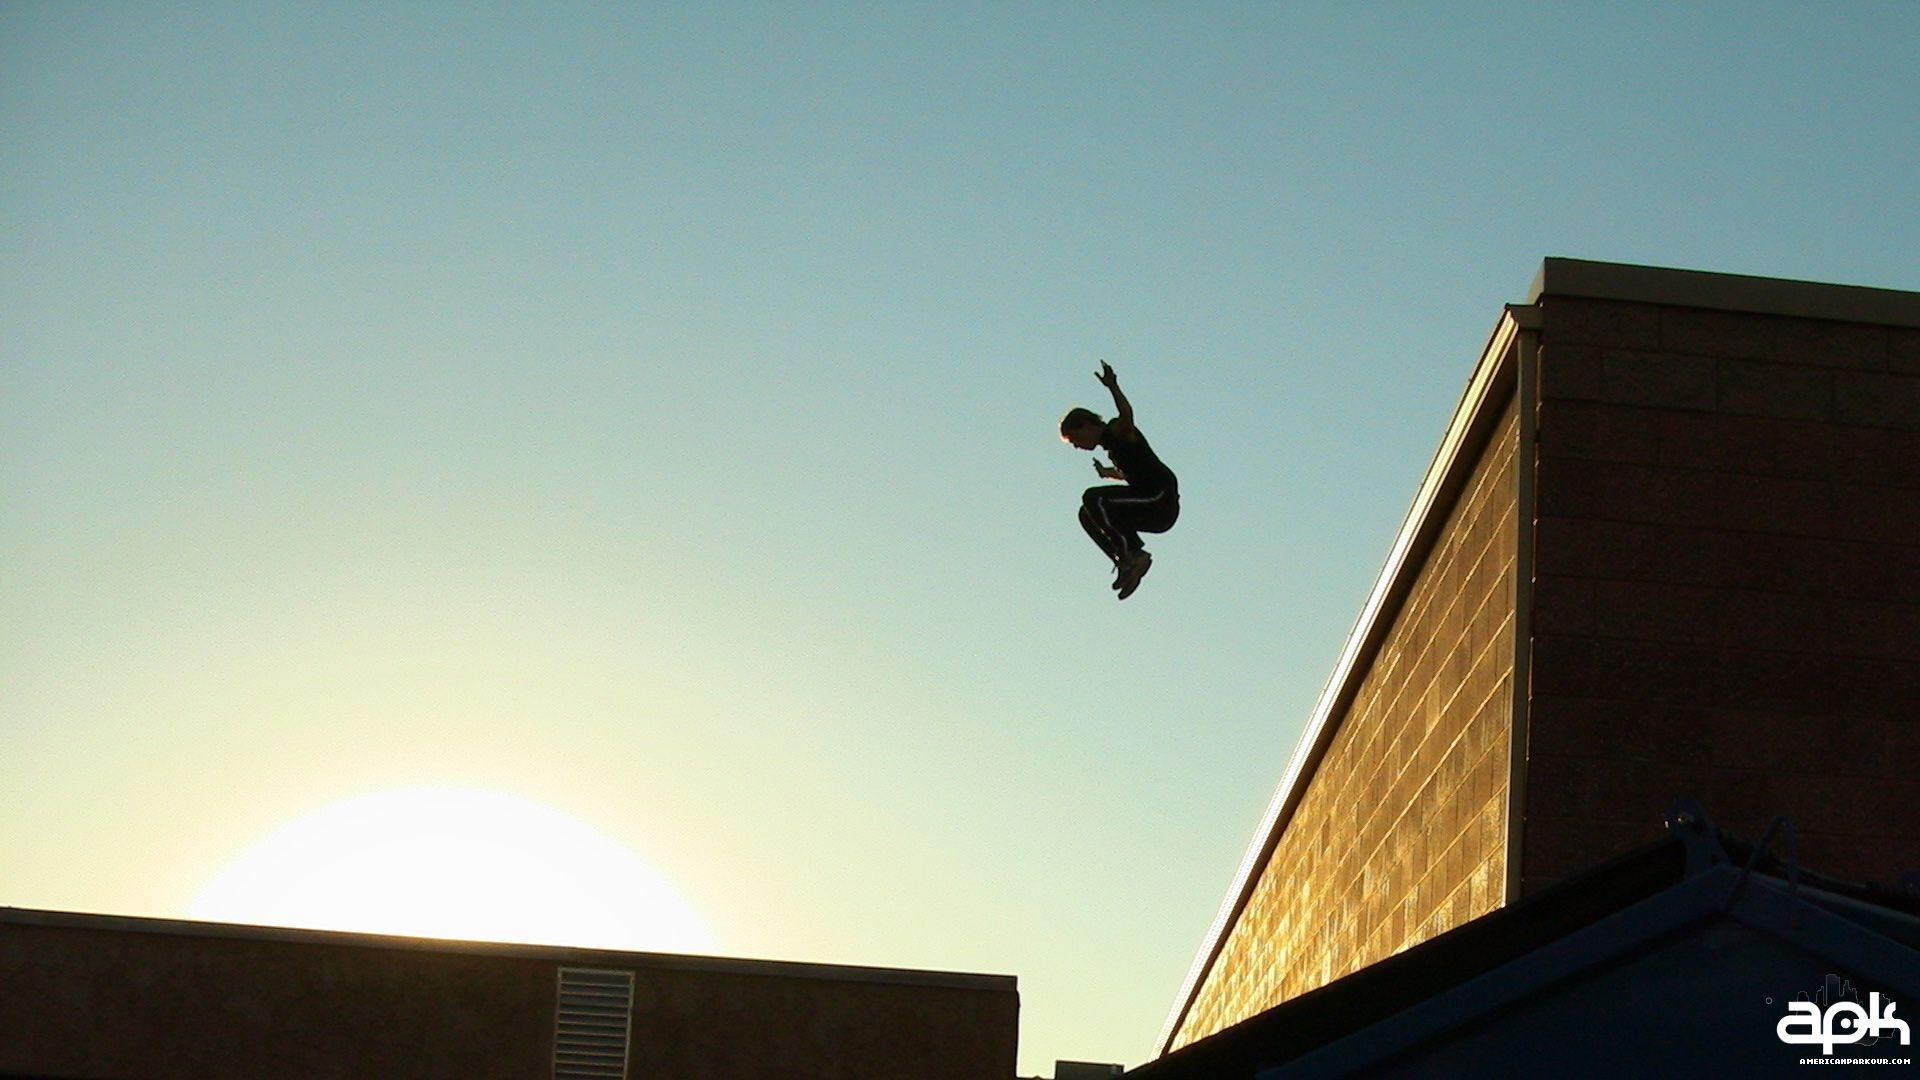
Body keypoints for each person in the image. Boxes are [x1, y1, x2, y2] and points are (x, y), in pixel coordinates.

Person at [1059, 361, 1179, 600]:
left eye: (1075, 439)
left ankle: (1133, 554)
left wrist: (1113, 387)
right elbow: (1130, 473)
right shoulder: (1113, 448)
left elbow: (1127, 415)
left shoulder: (1117, 430)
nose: (1077, 446)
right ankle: (1126, 562)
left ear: (1087, 425)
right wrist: (1108, 473)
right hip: (1149, 505)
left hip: (1159, 498)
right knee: (1087, 514)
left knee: (1093, 498)